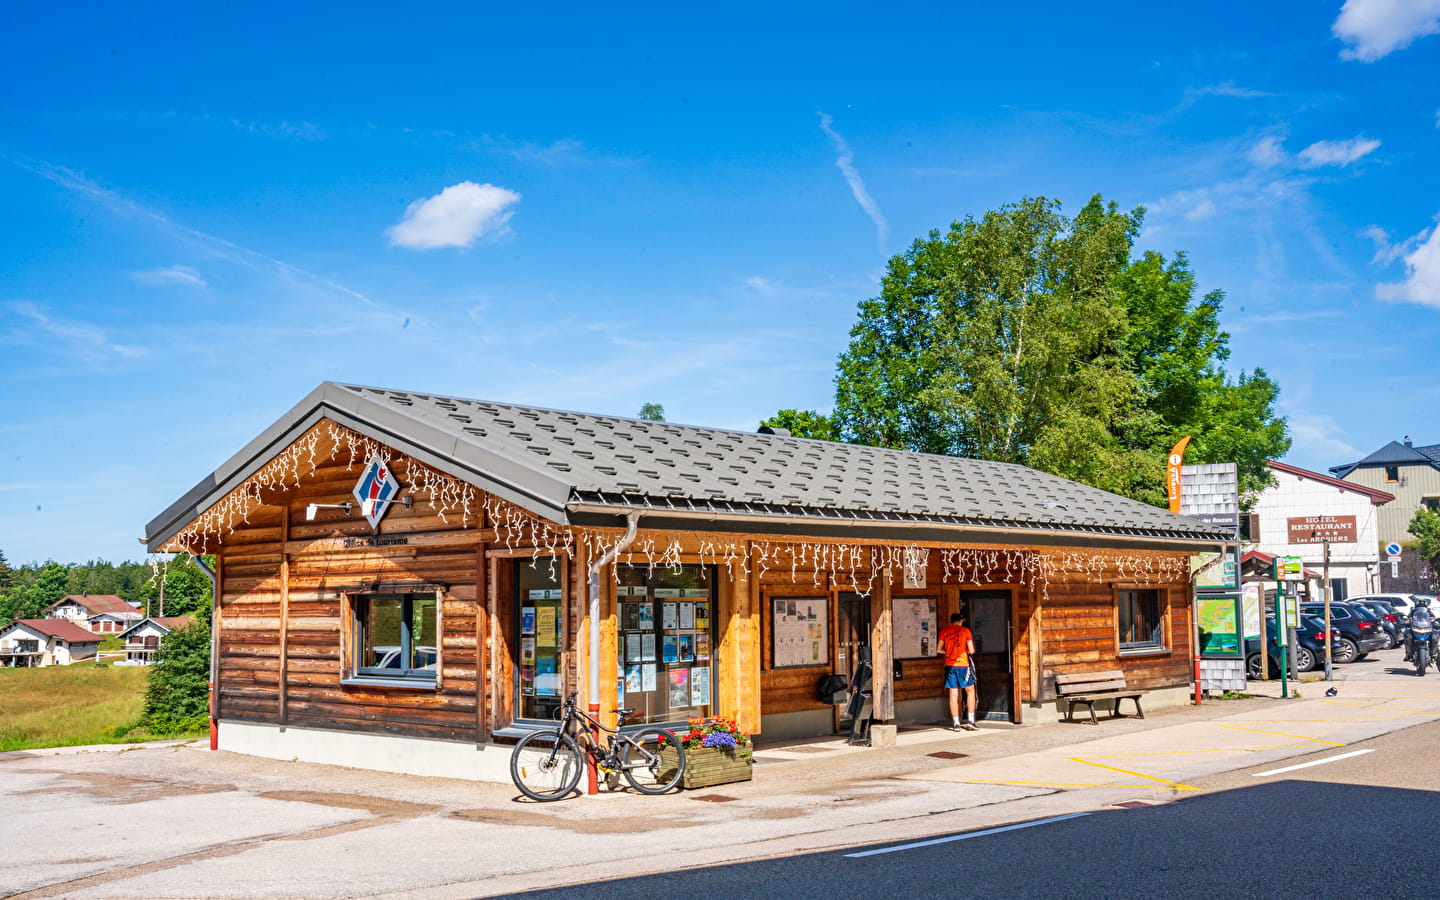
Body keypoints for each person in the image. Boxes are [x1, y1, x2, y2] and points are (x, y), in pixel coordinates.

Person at [938, 612, 978, 731]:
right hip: (963, 665)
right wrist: (964, 650)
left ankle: (956, 723)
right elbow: (971, 650)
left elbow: (939, 649)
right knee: (970, 691)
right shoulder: (965, 631)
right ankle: (971, 720)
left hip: (950, 665)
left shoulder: (944, 631)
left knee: (953, 694)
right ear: (961, 621)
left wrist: (949, 653)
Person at [1405, 597, 1436, 662]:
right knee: (1407, 635)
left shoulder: (1428, 611)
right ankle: (1408, 652)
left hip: (1426, 627)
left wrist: (1434, 620)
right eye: (1420, 603)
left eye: (1422, 603)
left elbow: (1433, 617)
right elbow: (1408, 618)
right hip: (1416, 627)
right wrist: (1407, 620)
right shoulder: (1413, 611)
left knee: (1434, 636)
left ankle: (1434, 652)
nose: (1421, 604)